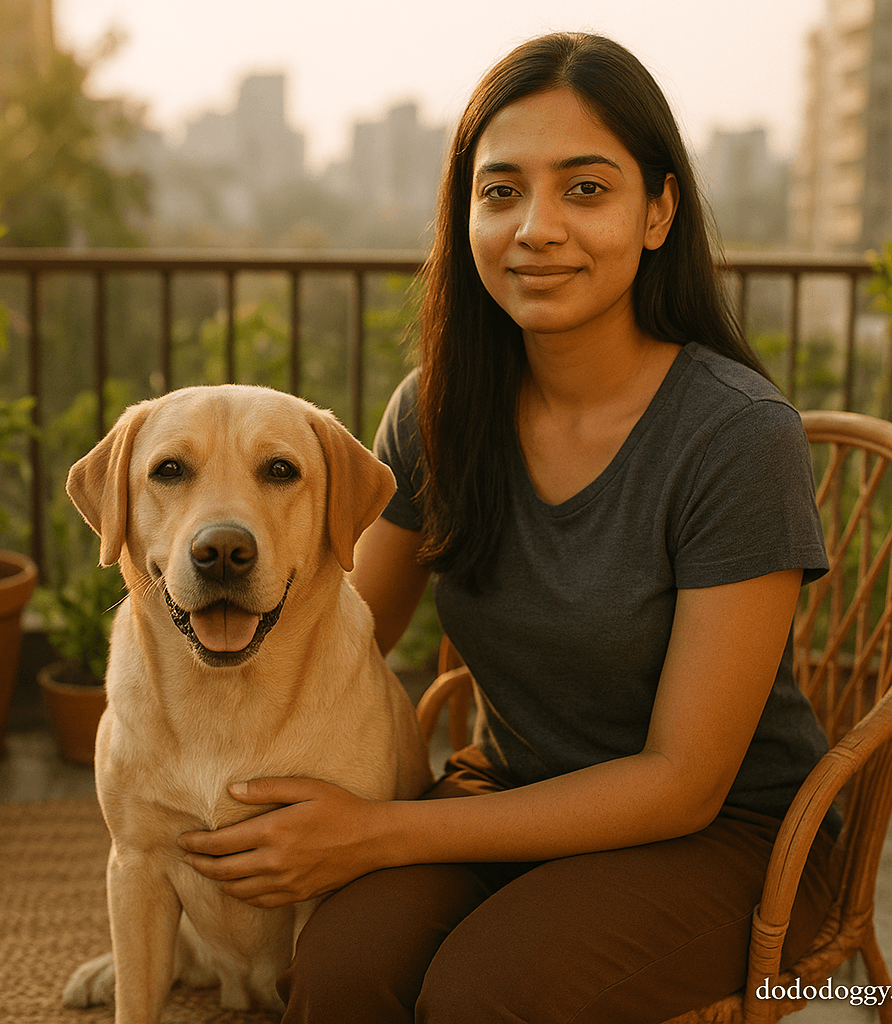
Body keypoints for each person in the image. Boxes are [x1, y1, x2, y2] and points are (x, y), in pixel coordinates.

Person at [179, 32, 839, 1023]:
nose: (536, 227)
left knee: (484, 993)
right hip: (512, 787)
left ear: (658, 211)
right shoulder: (440, 409)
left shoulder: (736, 439)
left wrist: (381, 830)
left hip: (727, 834)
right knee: (342, 964)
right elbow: (332, 625)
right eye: (500, 191)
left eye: (585, 189)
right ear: (464, 213)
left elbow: (683, 781)